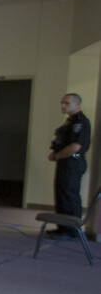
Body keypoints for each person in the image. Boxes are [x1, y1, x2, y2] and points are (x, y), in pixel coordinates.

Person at [47, 93, 91, 238]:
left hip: (73, 162)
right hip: (65, 162)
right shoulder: (69, 122)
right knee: (61, 194)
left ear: (77, 105)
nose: (63, 106)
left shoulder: (81, 123)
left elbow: (75, 147)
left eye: (66, 103)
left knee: (69, 195)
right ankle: (62, 227)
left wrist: (57, 155)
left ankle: (72, 230)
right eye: (62, 103)